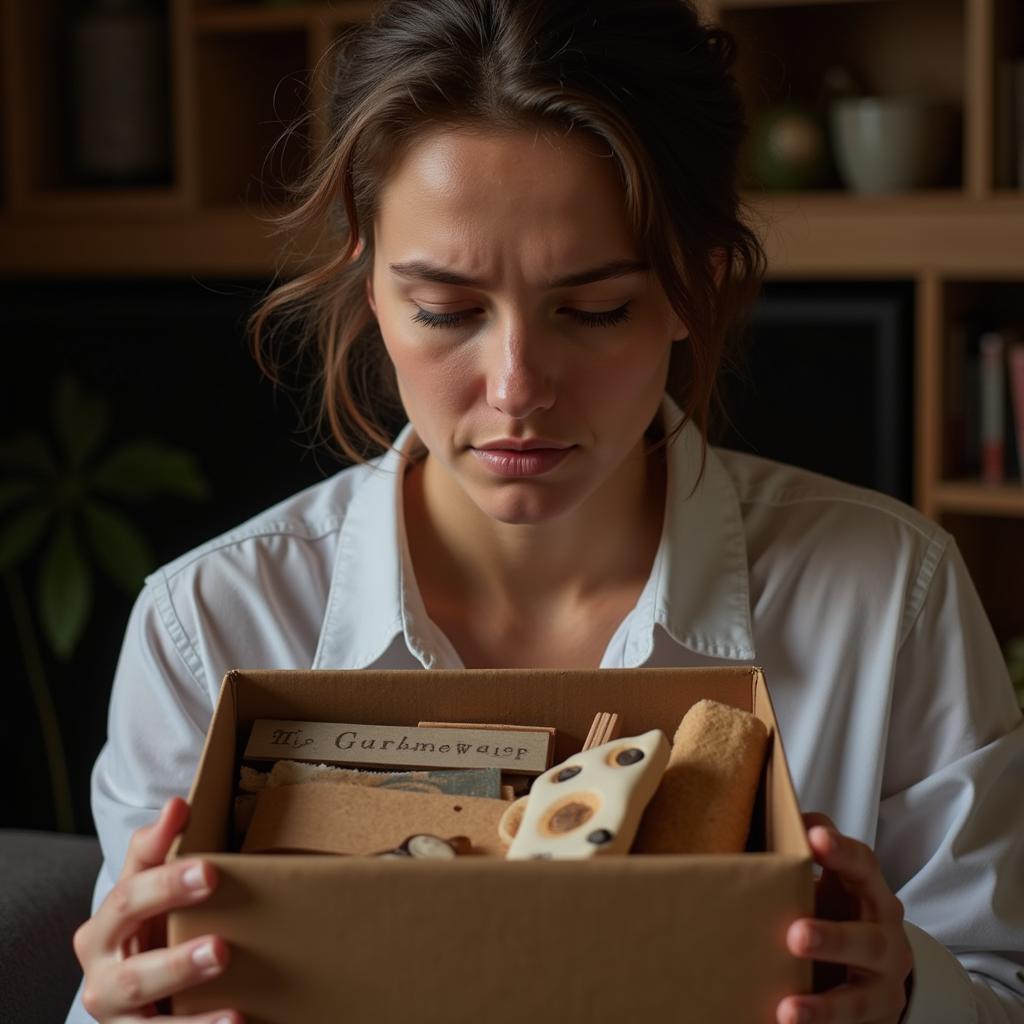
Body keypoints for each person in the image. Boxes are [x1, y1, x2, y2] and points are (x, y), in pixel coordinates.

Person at [67, 0, 1023, 1022]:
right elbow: (134, 979)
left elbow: (999, 981)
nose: (518, 386)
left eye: (595, 308)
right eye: (446, 309)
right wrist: (123, 1005)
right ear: (370, 289)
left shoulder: (887, 593)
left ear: (692, 289)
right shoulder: (206, 623)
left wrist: (912, 990)